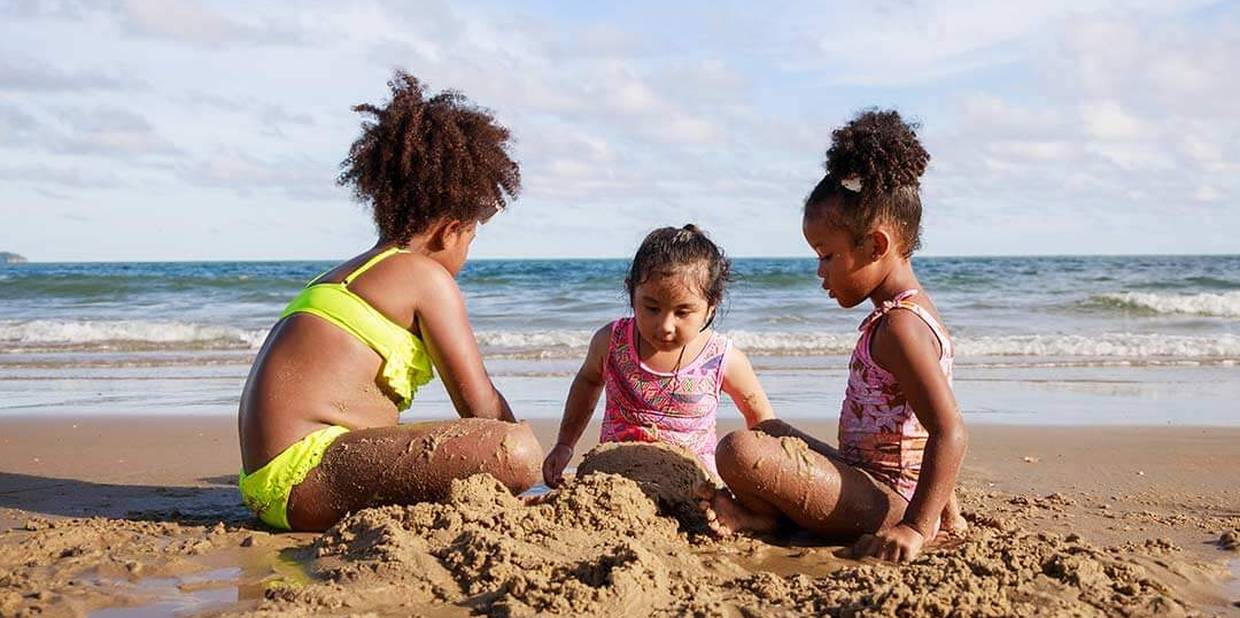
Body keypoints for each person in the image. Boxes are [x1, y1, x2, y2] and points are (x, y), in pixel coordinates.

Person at [238, 71, 542, 532]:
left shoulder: (351, 272)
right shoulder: (425, 277)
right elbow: (479, 403)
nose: (466, 253)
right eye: (470, 239)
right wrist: (530, 468)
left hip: (266, 481)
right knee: (514, 451)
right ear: (450, 229)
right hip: (307, 477)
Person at [703, 110, 967, 562]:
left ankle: (771, 520)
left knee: (739, 450)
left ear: (876, 246)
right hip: (864, 478)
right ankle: (770, 517)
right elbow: (919, 429)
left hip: (886, 503)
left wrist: (917, 526)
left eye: (827, 256)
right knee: (765, 428)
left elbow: (949, 431)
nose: (820, 272)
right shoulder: (904, 314)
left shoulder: (901, 327)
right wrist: (952, 513)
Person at [542, 225, 776, 487]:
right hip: (615, 479)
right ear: (631, 294)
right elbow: (588, 382)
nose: (665, 325)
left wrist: (760, 486)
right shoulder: (611, 342)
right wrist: (565, 444)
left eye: (683, 312)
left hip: (693, 483)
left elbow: (760, 418)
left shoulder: (722, 358)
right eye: (652, 308)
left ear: (711, 307)